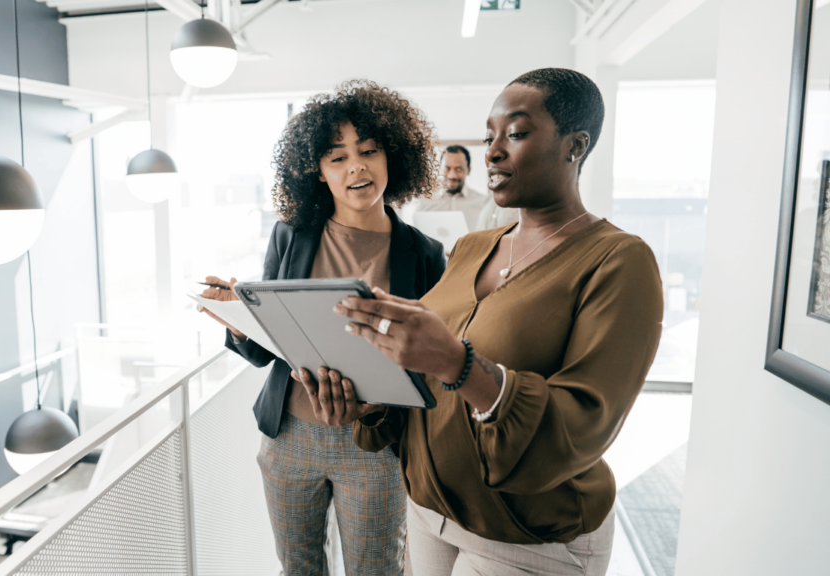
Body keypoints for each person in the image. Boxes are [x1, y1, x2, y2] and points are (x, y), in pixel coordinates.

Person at [299, 68, 664, 576]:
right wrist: (371, 403)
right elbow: (428, 387)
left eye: (515, 134)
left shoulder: (618, 261)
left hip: (527, 538)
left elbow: (582, 425)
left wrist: (456, 361)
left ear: (575, 146)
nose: (492, 151)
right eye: (489, 135)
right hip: (430, 515)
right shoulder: (471, 249)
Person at [198, 79, 447, 576]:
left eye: (369, 151)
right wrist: (241, 319)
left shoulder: (424, 255)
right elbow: (270, 348)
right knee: (298, 569)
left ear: (391, 158)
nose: (355, 165)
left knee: (376, 570)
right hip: (289, 436)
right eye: (337, 157)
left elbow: (434, 364)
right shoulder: (290, 234)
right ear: (318, 172)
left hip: (374, 445)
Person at [412, 145, 518, 232]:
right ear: (439, 169)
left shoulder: (483, 203)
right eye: (447, 168)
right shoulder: (425, 202)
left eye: (459, 169)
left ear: (468, 170)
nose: (452, 175)